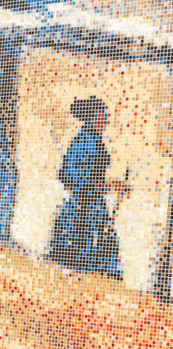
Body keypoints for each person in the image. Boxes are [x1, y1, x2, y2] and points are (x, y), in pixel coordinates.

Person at [47, 95, 127, 278]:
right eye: (102, 113)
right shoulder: (87, 141)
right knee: (83, 247)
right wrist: (108, 186)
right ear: (93, 116)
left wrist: (110, 186)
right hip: (84, 205)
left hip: (87, 203)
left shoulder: (91, 139)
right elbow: (75, 176)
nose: (106, 118)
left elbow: (89, 177)